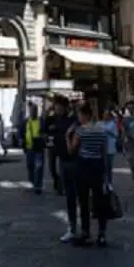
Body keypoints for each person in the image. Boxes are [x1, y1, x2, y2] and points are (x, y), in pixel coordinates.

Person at [69, 102, 109, 247]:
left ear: (84, 115)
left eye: (79, 114)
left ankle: (86, 233)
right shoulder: (101, 130)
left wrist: (68, 136)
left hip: (84, 166)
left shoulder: (80, 131)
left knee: (84, 201)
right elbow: (104, 152)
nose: (78, 117)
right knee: (99, 201)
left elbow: (72, 150)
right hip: (97, 166)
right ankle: (102, 233)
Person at [48, 97, 77, 243]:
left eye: (58, 107)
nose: (56, 109)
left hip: (73, 161)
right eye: (55, 107)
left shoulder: (72, 121)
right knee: (70, 196)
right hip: (62, 160)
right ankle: (73, 227)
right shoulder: (56, 121)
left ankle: (79, 228)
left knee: (76, 195)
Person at [23, 104, 44, 193]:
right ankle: (33, 182)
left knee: (38, 168)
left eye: (34, 110)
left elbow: (45, 131)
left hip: (38, 148)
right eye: (31, 110)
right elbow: (22, 131)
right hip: (29, 148)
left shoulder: (41, 121)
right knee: (30, 166)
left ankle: (38, 186)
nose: (32, 112)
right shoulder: (26, 121)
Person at [102, 109, 119, 187]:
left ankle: (109, 182)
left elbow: (115, 134)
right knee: (104, 167)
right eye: (104, 115)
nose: (104, 116)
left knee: (109, 166)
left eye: (106, 115)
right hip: (103, 148)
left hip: (110, 147)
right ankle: (104, 182)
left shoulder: (112, 124)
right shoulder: (101, 124)